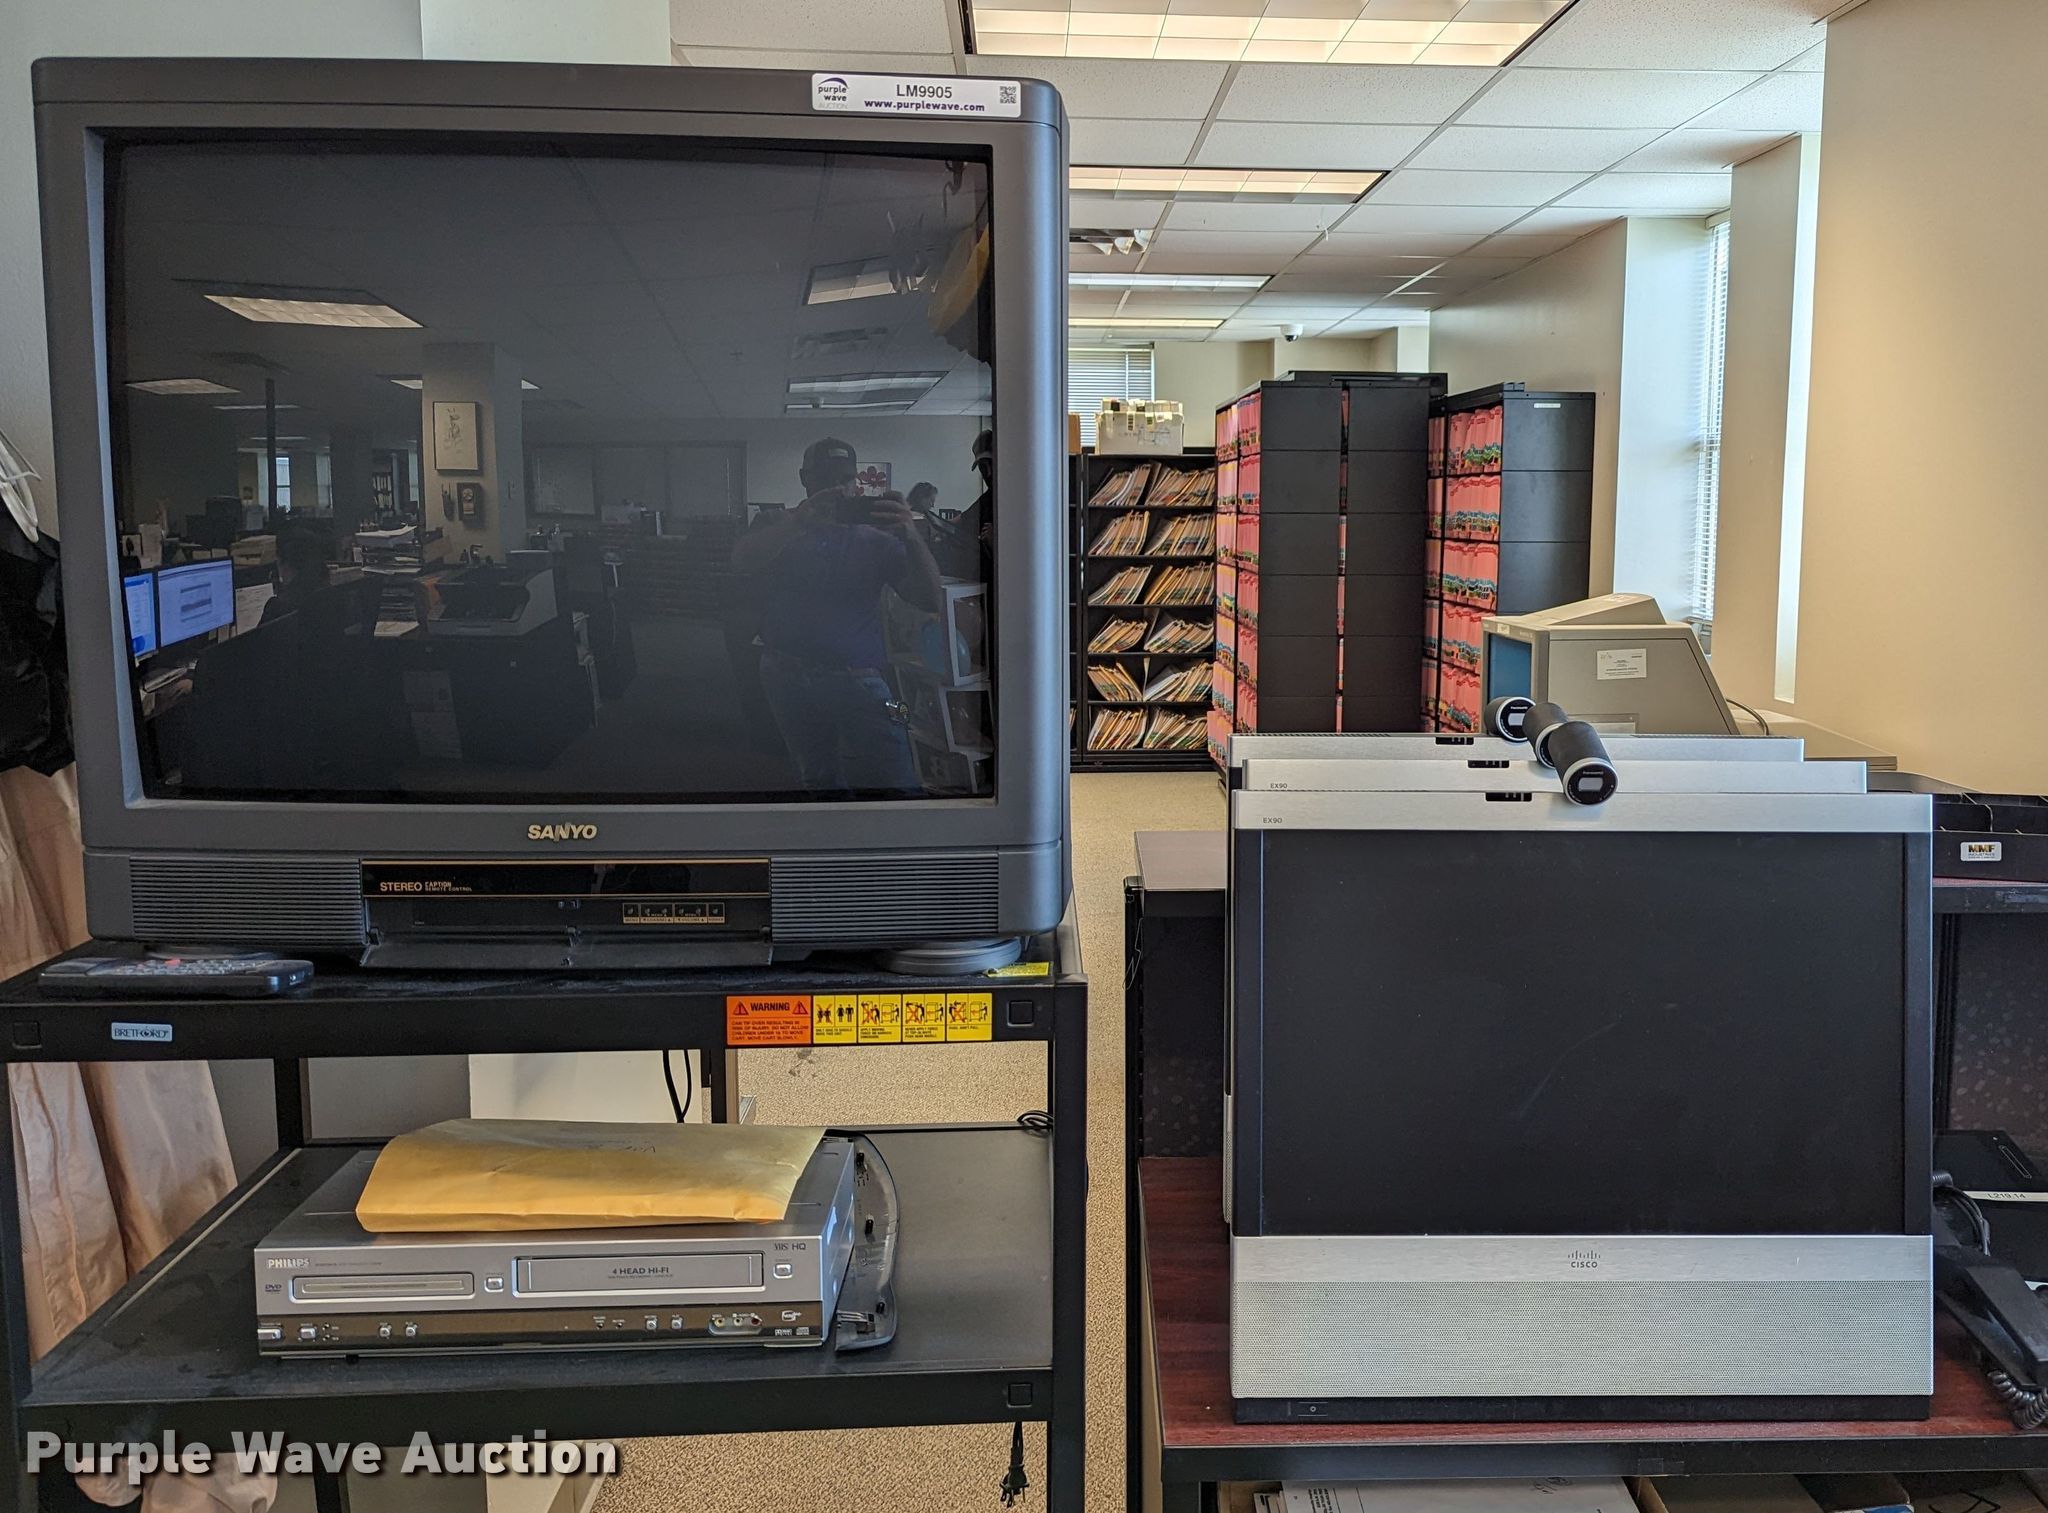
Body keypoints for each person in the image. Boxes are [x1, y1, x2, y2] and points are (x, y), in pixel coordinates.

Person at [732, 437, 943, 795]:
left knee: (898, 778)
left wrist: (911, 534)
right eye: (824, 478)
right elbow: (741, 562)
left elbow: (930, 599)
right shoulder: (776, 523)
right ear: (804, 478)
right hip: (784, 673)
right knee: (816, 776)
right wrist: (798, 523)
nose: (836, 488)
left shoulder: (877, 538)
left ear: (855, 481)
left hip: (859, 678)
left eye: (845, 479)